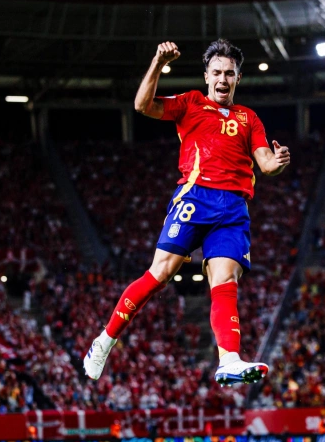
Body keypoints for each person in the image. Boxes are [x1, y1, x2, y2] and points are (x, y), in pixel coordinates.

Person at [83, 39, 291, 386]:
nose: (223, 79)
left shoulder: (249, 118)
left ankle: (229, 360)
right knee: (160, 273)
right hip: (194, 198)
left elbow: (266, 164)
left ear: (238, 78)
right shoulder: (191, 102)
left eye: (229, 73)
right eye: (217, 72)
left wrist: (279, 160)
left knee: (225, 280)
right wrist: (157, 62)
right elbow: (142, 105)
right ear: (207, 76)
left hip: (233, 208)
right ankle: (104, 341)